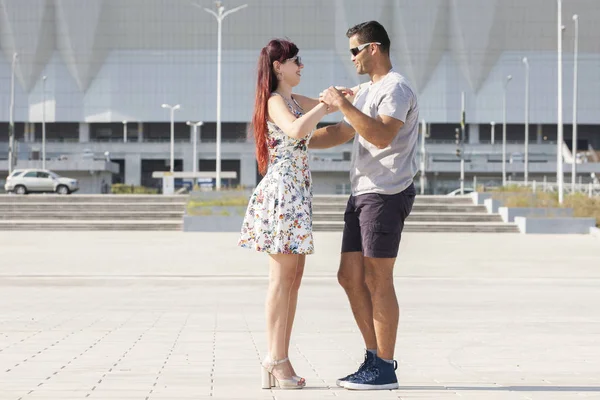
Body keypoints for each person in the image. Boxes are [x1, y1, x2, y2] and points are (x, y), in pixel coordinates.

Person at [311, 20, 419, 390]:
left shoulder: (396, 89)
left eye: (355, 50)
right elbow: (343, 132)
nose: (352, 58)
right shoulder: (367, 91)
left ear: (374, 48)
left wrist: (343, 103)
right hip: (362, 192)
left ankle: (385, 366)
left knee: (377, 278)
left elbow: (381, 136)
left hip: (386, 192)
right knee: (349, 277)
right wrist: (295, 138)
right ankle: (373, 358)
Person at [238, 38, 339, 389]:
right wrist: (325, 106)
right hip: (282, 193)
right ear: (278, 66)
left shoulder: (295, 100)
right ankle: (273, 358)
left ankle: (280, 356)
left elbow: (332, 107)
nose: (301, 66)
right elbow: (297, 130)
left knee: (293, 282)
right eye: (296, 61)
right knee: (280, 282)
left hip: (297, 194)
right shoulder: (275, 101)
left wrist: (348, 96)